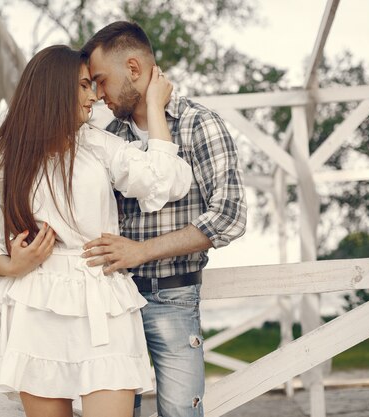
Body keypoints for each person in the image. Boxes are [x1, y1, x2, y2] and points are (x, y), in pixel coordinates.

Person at [0, 45, 193, 417]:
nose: (95, 95)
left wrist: (154, 108)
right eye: (85, 85)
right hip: (37, 304)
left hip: (103, 298)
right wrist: (14, 265)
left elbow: (166, 180)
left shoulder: (97, 144)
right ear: (54, 89)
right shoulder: (2, 159)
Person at [81, 22, 247, 417]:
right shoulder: (109, 137)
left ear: (133, 69)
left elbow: (229, 217)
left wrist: (141, 252)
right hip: (115, 300)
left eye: (101, 81)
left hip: (174, 296)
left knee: (181, 413)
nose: (97, 94)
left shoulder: (197, 124)